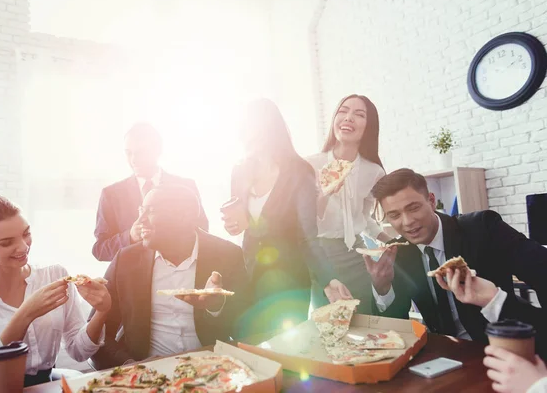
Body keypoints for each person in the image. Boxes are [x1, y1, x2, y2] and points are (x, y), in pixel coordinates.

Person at [364, 168, 547, 357]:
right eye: (394, 215)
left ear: (432, 201)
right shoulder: (398, 252)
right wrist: (383, 288)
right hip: (443, 356)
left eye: (414, 208)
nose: (408, 221)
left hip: (503, 350)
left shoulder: (484, 228)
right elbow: (393, 331)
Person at [0, 195, 111, 393]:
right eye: (7, 242)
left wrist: (101, 311)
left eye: (26, 233)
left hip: (48, 387)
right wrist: (24, 316)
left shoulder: (54, 274)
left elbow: (78, 351)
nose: (24, 247)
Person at [222, 99, 347, 337]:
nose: (243, 133)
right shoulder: (239, 171)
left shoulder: (299, 172)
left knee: (285, 351)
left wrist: (329, 280)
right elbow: (241, 224)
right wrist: (232, 224)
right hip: (248, 275)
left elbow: (308, 235)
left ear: (268, 127)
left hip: (289, 281)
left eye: (249, 126)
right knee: (250, 348)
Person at [90, 184, 248, 369]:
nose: (140, 220)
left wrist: (216, 306)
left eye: (151, 211)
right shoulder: (126, 261)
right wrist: (131, 366)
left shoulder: (228, 255)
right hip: (146, 372)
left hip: (211, 370)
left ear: (184, 217)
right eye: (141, 210)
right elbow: (97, 333)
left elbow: (246, 326)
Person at [307, 94, 391, 311]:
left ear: (369, 126)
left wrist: (389, 241)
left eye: (359, 114)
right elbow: (305, 223)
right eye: (343, 111)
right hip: (321, 257)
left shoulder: (374, 171)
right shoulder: (309, 165)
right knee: (328, 326)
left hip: (357, 255)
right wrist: (324, 193)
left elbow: (364, 218)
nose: (349, 118)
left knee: (364, 320)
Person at [92, 123, 209, 262]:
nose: (134, 160)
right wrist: (130, 237)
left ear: (157, 150)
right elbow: (100, 250)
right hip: (131, 279)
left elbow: (202, 232)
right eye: (128, 153)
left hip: (180, 275)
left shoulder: (186, 187)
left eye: (140, 152)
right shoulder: (111, 195)